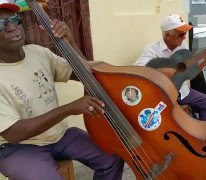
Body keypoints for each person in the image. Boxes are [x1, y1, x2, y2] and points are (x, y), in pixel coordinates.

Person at [0, 1, 124, 179]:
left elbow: (84, 74)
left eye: (14, 19)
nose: (11, 27)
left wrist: (71, 41)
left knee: (112, 157)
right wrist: (69, 109)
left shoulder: (38, 53)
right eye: (1, 24)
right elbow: (13, 133)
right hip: (19, 147)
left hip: (60, 135)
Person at [135, 14, 206, 121]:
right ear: (168, 35)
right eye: (181, 34)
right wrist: (160, 71)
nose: (184, 37)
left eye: (185, 33)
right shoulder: (152, 50)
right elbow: (137, 71)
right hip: (162, 95)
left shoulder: (182, 46)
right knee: (153, 119)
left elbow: (191, 72)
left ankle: (202, 136)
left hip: (183, 92)